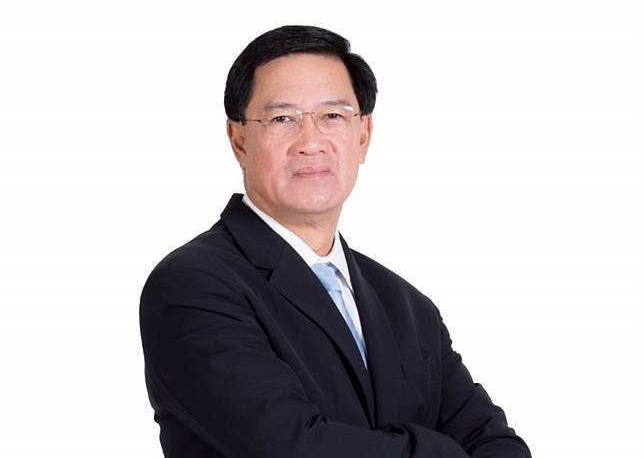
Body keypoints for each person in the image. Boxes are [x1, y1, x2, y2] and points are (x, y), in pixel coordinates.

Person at [139, 25, 531, 458]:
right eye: (282, 118)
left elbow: (496, 443)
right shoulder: (192, 286)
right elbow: (293, 448)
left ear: (363, 135)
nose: (310, 143)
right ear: (239, 140)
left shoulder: (407, 306)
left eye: (333, 116)